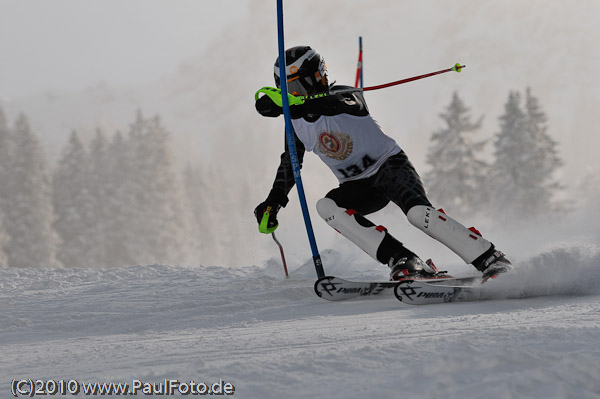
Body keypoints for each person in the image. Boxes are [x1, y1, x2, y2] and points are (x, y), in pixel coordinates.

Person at [253, 46, 511, 281]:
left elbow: (339, 105)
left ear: (317, 77)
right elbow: (290, 164)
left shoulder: (345, 95)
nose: (293, 95)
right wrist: (273, 202)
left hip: (390, 168)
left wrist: (294, 107)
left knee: (418, 214)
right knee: (327, 206)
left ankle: (489, 257)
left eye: (297, 87)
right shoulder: (296, 124)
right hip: (357, 186)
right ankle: (405, 260)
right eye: (287, 90)